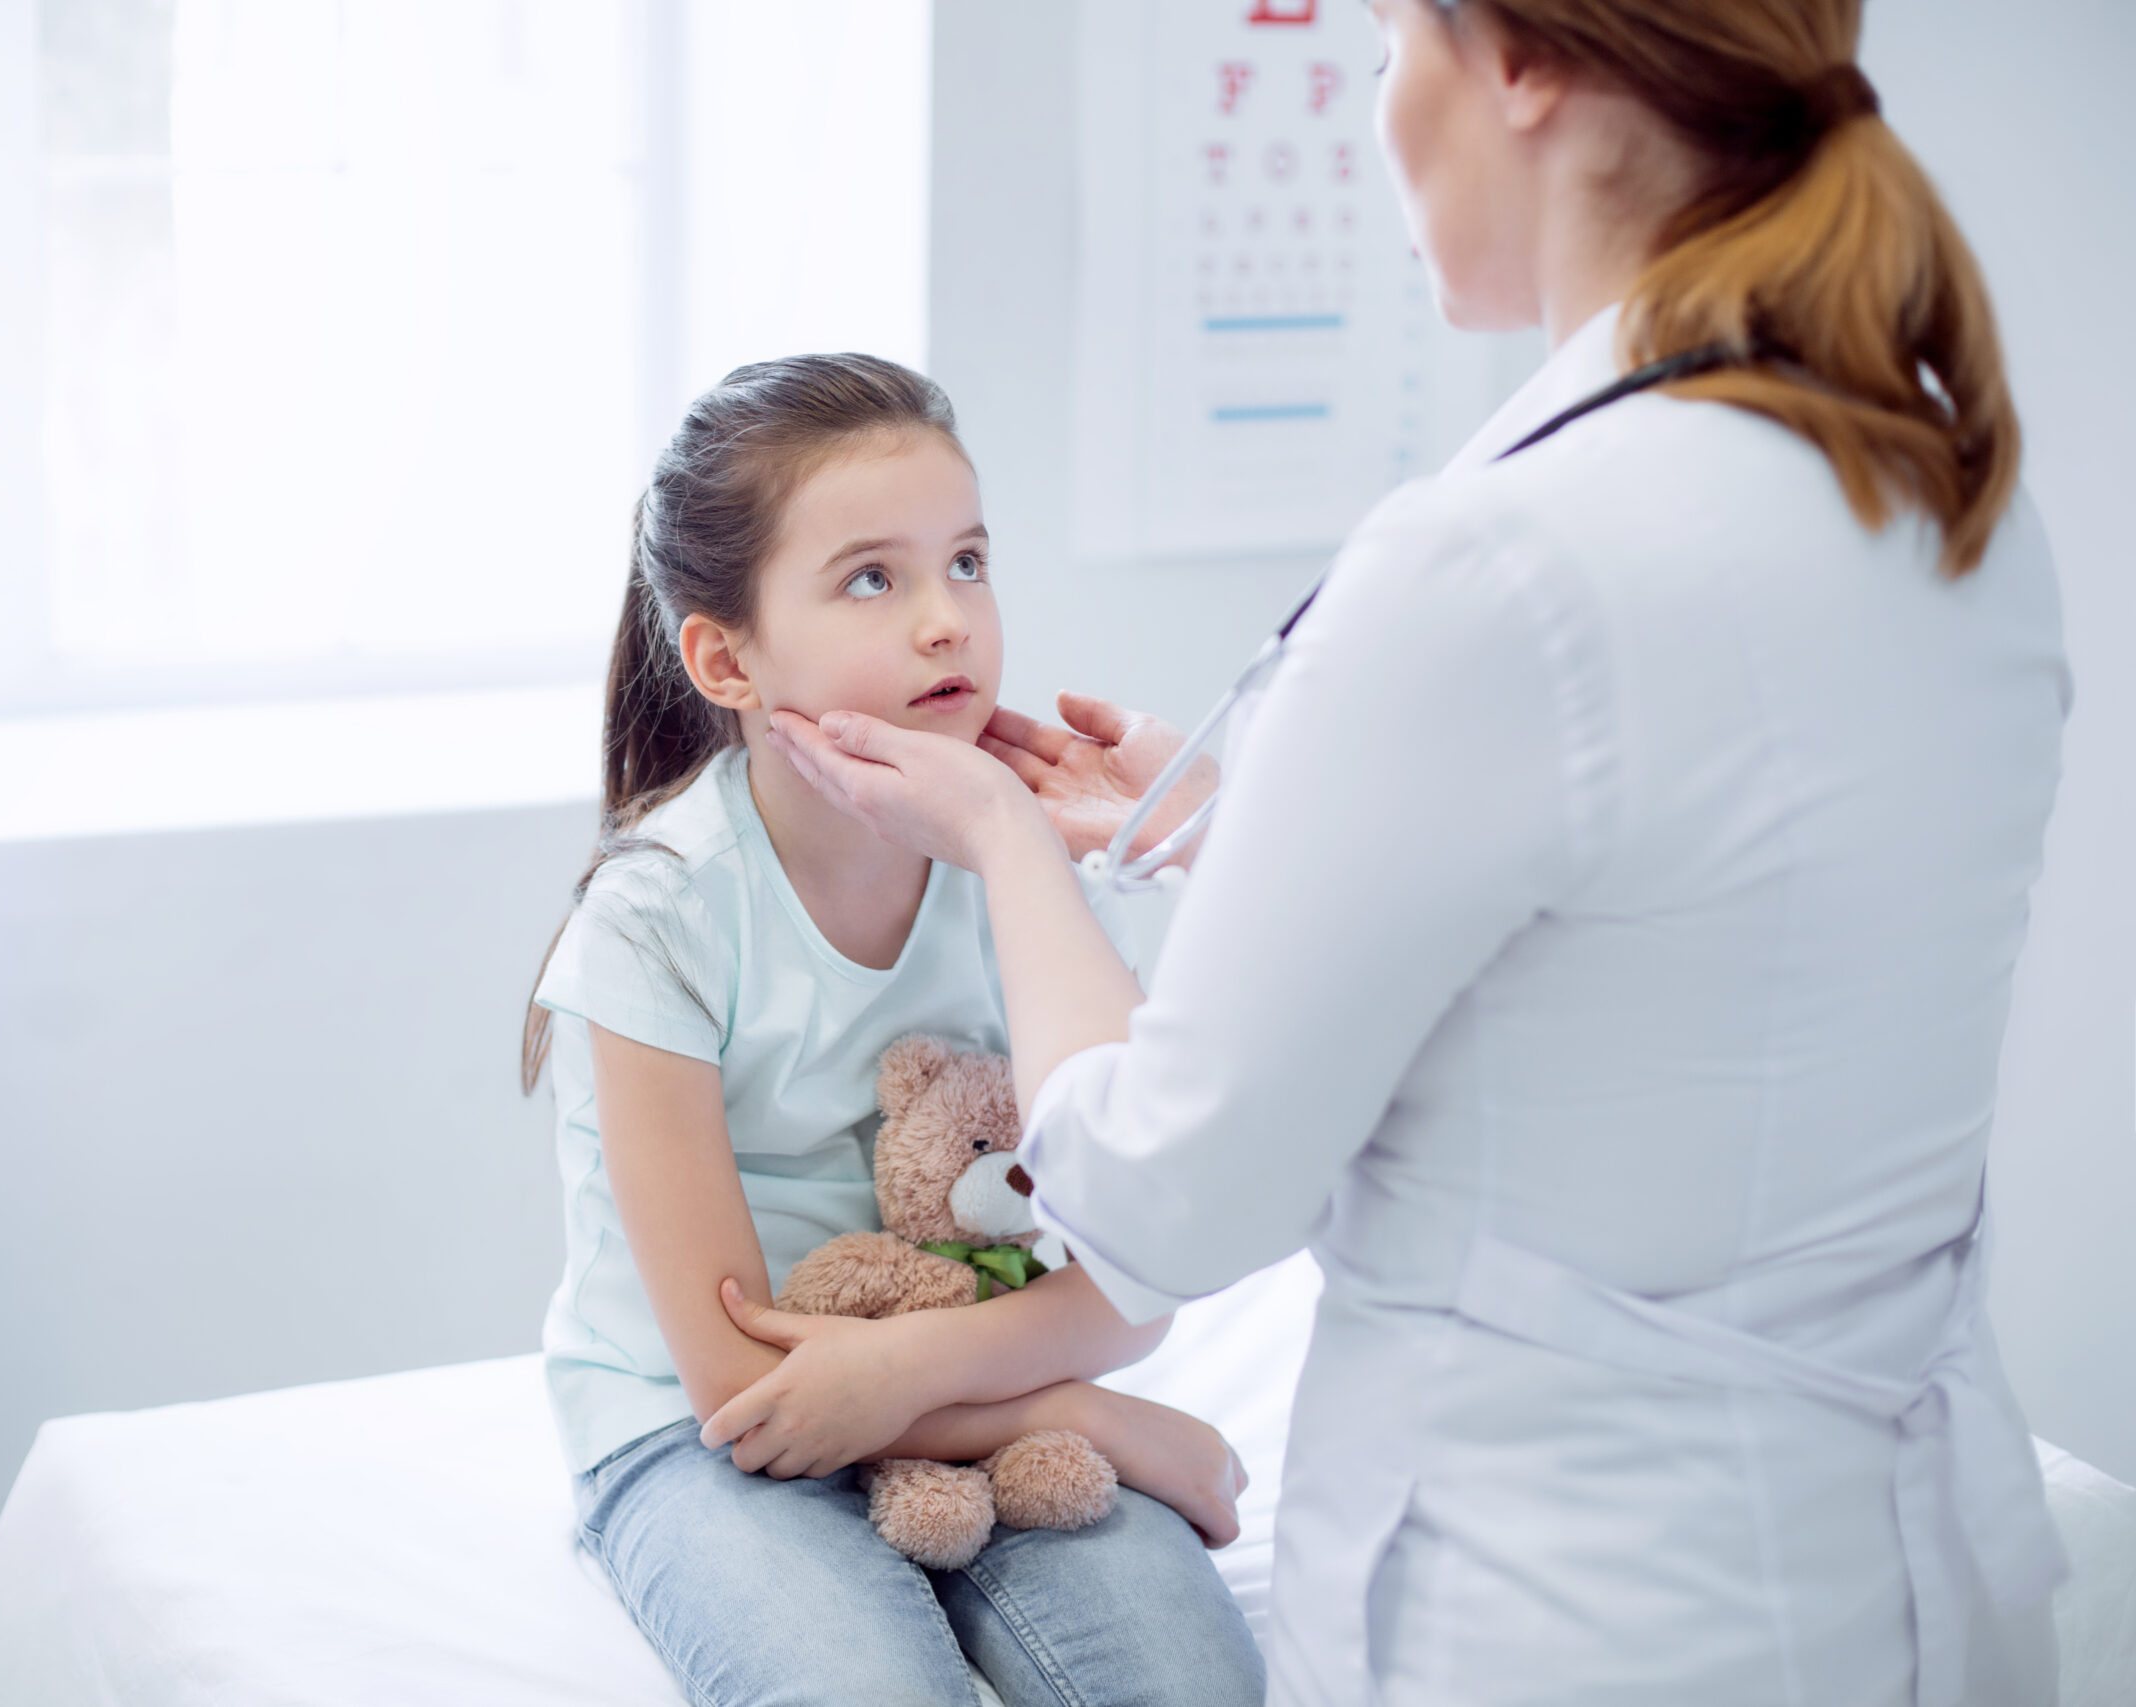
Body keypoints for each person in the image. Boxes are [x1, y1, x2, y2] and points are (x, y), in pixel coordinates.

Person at [734, 2, 2073, 1703]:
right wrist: (1253, 837)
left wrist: (1009, 851)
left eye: (1387, 44)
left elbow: (1157, 1198)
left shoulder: (1501, 563)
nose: (1380, 110)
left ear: (1513, 61)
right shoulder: (1937, 492)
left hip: (1576, 1610)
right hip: (1911, 1578)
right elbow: (1676, 972)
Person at [521, 353, 1267, 1707]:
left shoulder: (1018, 865)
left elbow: (1136, 1257)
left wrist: (960, 1376)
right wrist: (1070, 1407)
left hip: (948, 1378)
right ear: (726, 657)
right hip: (699, 1429)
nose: (948, 622)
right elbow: (743, 1385)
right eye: (875, 577)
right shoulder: (656, 921)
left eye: (968, 563)